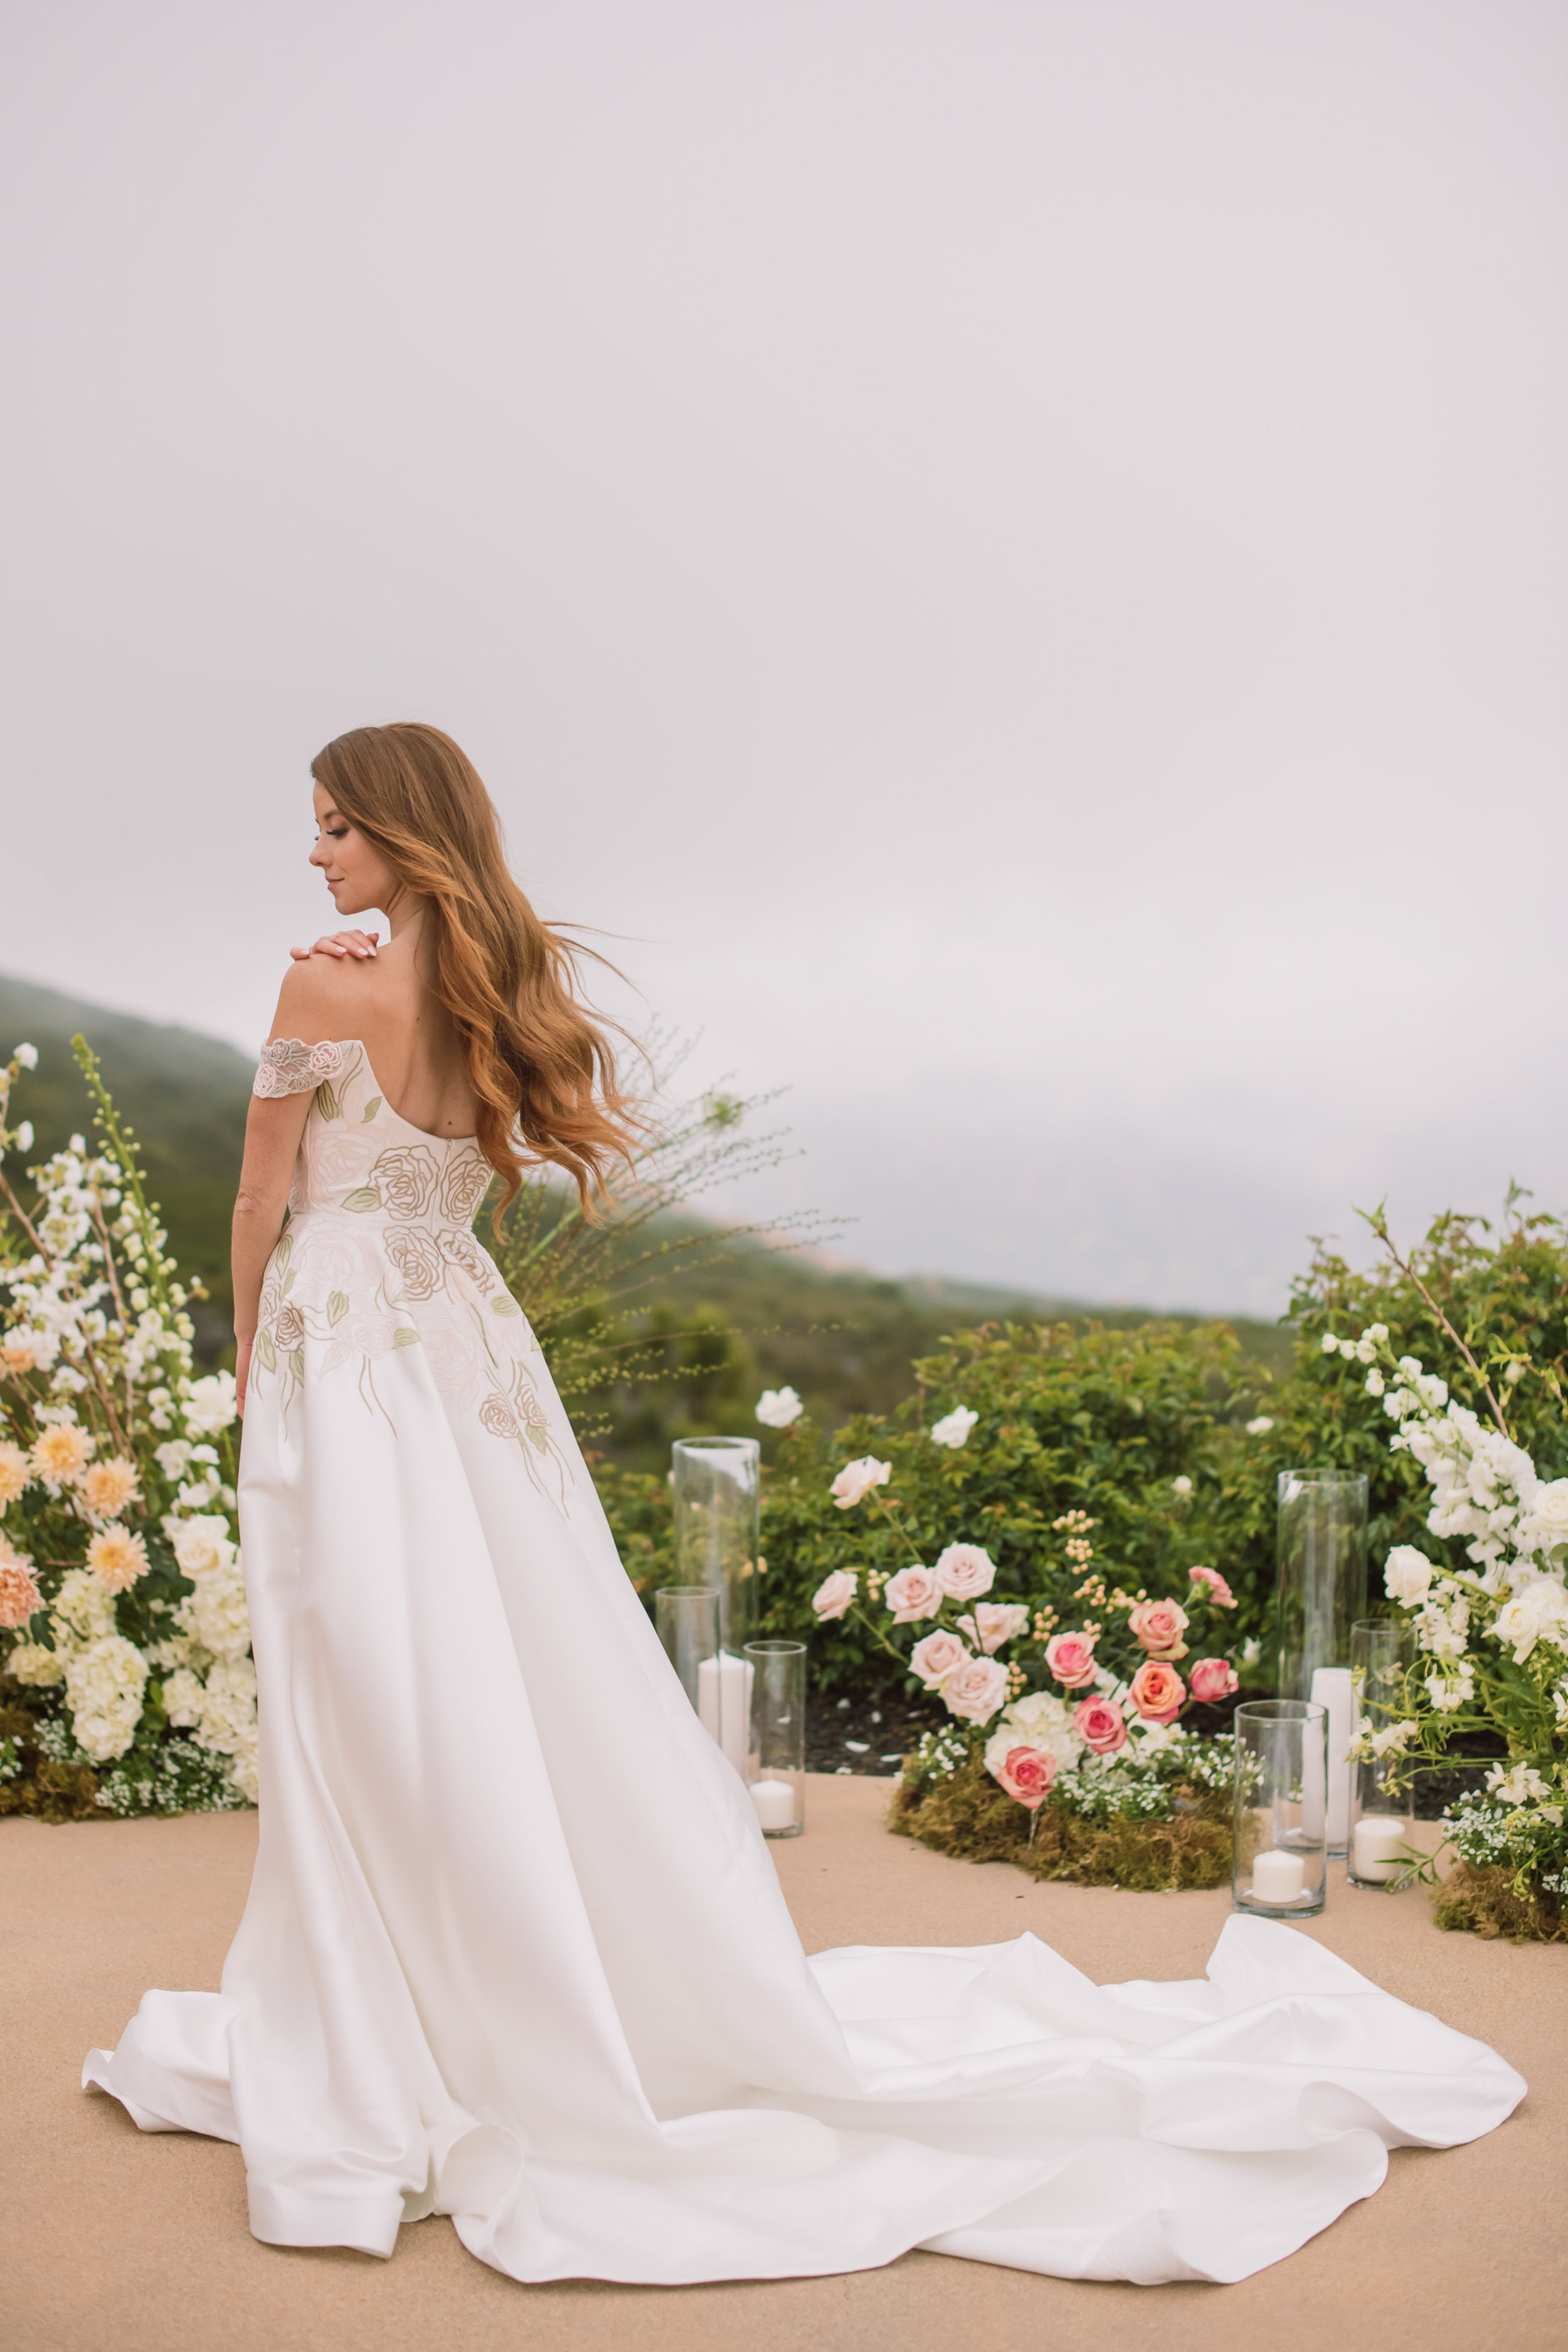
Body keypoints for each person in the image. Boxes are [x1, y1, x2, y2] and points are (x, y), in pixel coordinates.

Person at [85, 723, 1524, 2287]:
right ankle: (462, 1994)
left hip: (343, 1353)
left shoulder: (324, 987)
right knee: (483, 1669)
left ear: (399, 834)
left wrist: (249, 1362)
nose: (316, 856)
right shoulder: (486, 1001)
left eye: (335, 829)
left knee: (356, 1687)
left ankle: (388, 2031)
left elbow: (258, 1193)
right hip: (460, 1352)